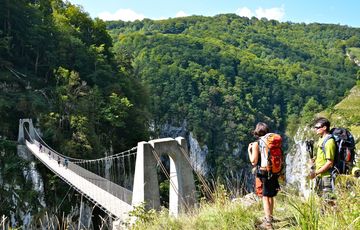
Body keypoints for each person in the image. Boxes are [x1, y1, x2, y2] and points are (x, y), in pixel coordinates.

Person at [248, 122, 280, 229]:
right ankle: (270, 217)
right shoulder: (272, 142)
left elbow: (253, 161)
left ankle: (268, 223)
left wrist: (249, 150)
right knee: (271, 195)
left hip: (264, 172)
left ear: (257, 131)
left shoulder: (257, 143)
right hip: (274, 171)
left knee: (265, 197)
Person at [308, 117, 336, 200]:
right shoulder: (321, 139)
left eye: (317, 127)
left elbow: (330, 162)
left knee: (328, 200)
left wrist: (316, 173)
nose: (315, 129)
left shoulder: (329, 142)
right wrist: (314, 159)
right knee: (321, 199)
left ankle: (330, 213)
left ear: (324, 127)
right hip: (320, 176)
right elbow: (322, 154)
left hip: (327, 176)